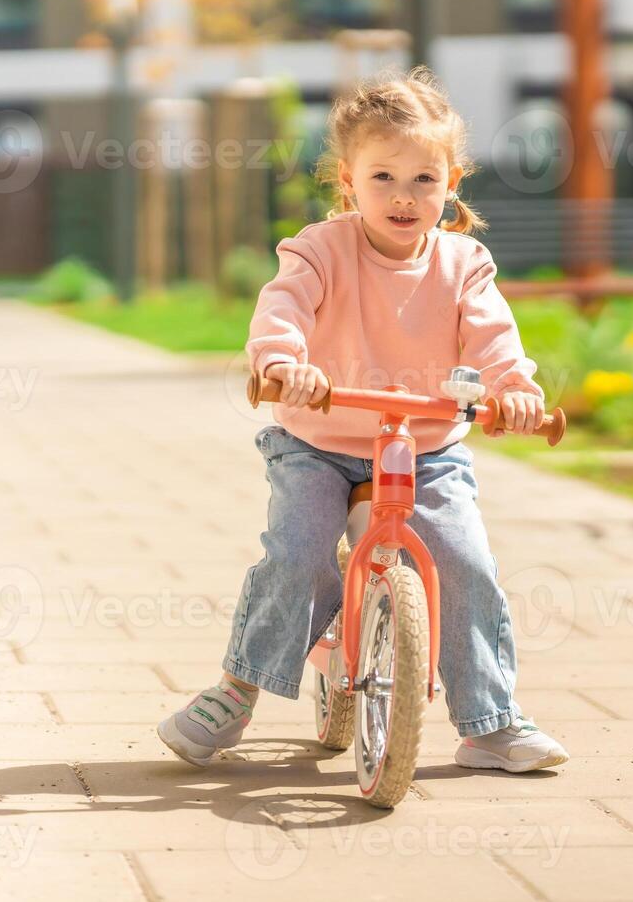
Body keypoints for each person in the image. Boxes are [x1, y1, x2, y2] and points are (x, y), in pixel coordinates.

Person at [157, 66, 569, 775]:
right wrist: (286, 363)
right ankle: (236, 690)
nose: (403, 198)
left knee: (464, 561)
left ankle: (491, 723)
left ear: (453, 182)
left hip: (425, 444)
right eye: (382, 178)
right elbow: (282, 307)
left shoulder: (464, 263)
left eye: (422, 180)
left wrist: (513, 389)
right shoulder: (319, 249)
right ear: (347, 180)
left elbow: (494, 337)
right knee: (299, 551)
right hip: (319, 440)